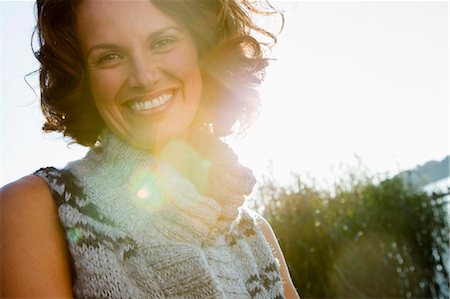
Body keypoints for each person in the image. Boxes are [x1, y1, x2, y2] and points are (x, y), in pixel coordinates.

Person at [0, 0, 300, 298]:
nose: (144, 77)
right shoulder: (32, 211)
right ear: (83, 77)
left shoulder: (256, 234)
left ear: (203, 49)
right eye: (110, 56)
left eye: (163, 41)